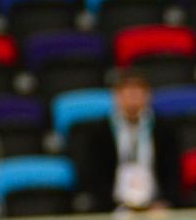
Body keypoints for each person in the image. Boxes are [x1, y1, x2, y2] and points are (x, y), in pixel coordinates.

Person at [78, 70, 181, 211]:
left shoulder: (164, 129)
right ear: (116, 96)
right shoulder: (98, 132)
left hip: (156, 205)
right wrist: (112, 206)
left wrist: (164, 202)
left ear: (148, 96)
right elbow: (93, 174)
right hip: (112, 206)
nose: (133, 98)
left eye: (137, 93)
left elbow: (172, 171)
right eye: (128, 93)